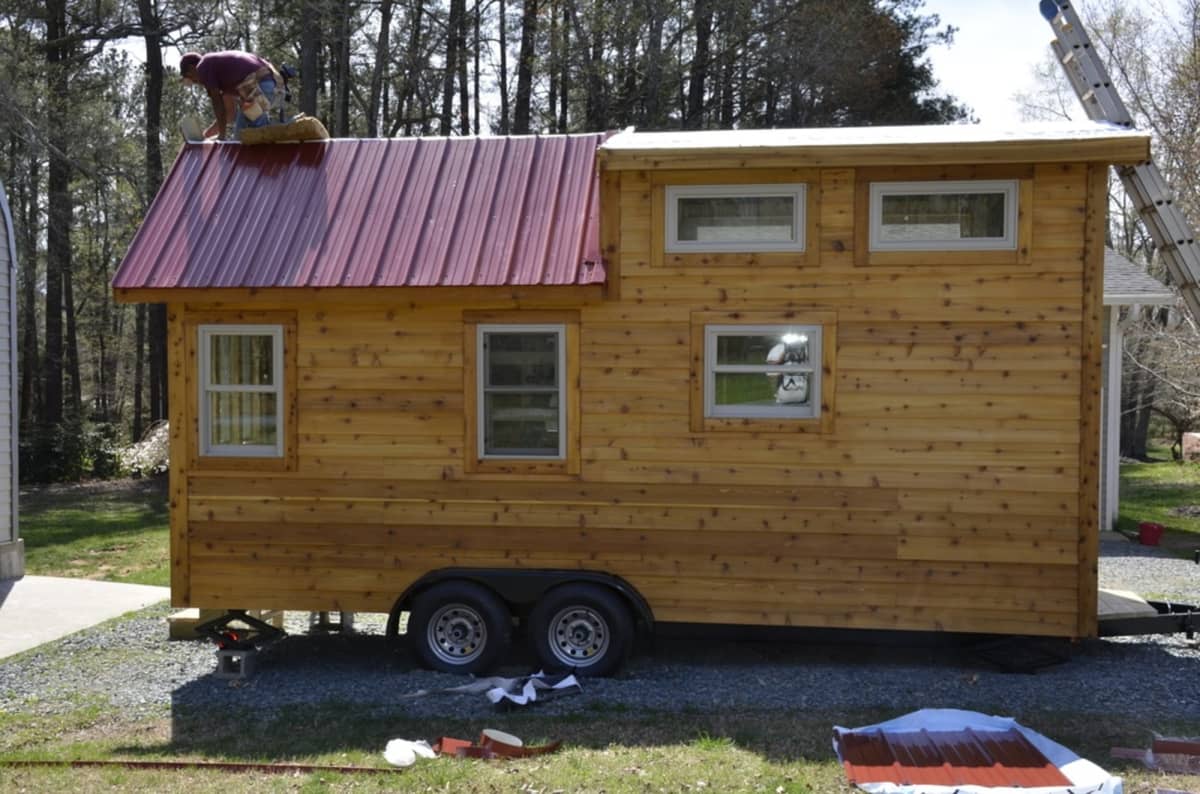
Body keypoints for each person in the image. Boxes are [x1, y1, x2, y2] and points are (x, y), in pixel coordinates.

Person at [180, 50, 283, 140]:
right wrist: (207, 135)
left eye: (191, 78)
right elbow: (229, 114)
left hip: (260, 86)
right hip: (272, 85)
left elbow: (217, 104)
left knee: (243, 137)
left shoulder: (203, 66)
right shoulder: (222, 73)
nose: (195, 82)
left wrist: (222, 135)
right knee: (240, 135)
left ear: (192, 67)